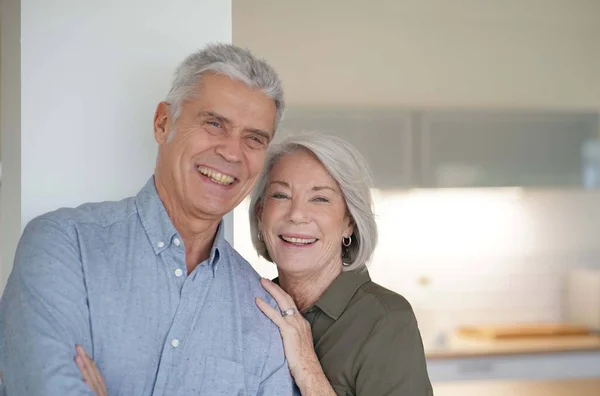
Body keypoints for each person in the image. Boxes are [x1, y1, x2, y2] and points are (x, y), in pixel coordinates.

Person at [0, 43, 298, 395]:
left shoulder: (265, 313)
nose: (232, 152)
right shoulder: (63, 245)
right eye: (215, 124)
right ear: (162, 123)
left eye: (253, 139)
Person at [250, 133, 434, 395]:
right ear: (260, 213)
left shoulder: (386, 319)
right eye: (281, 195)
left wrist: (307, 367)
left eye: (320, 199)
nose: (296, 215)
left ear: (350, 221)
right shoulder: (251, 305)